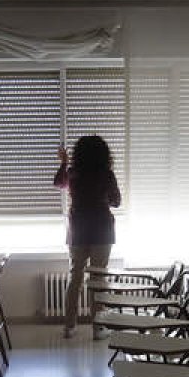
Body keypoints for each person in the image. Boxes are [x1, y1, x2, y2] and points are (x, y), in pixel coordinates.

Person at [54, 135, 121, 339]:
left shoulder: (74, 173)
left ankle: (69, 326)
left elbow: (59, 183)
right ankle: (98, 328)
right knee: (98, 278)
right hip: (101, 229)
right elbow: (116, 201)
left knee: (75, 276)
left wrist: (64, 162)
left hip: (78, 230)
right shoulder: (106, 174)